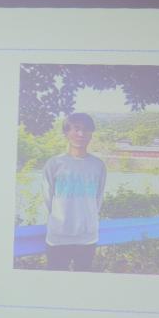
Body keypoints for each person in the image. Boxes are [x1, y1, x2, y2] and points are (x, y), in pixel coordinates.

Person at [42, 112, 107, 272]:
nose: (81, 134)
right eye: (76, 129)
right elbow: (47, 198)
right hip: (58, 237)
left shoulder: (98, 165)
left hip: (87, 237)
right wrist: (60, 221)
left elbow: (98, 198)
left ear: (91, 134)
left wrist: (87, 220)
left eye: (86, 130)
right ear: (66, 133)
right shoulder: (54, 163)